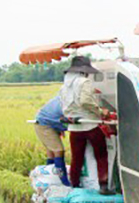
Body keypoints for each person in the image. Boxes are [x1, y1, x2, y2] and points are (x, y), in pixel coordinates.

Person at [59, 55, 112, 194]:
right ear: (83, 71)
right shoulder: (84, 82)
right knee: (101, 155)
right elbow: (85, 102)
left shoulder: (64, 86)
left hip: (75, 127)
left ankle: (74, 186)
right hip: (90, 124)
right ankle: (103, 185)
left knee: (77, 157)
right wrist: (100, 111)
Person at [34, 96, 70, 186]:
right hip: (44, 125)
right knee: (58, 150)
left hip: (46, 123)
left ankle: (50, 175)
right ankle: (64, 180)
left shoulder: (62, 97)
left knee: (51, 151)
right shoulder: (66, 103)